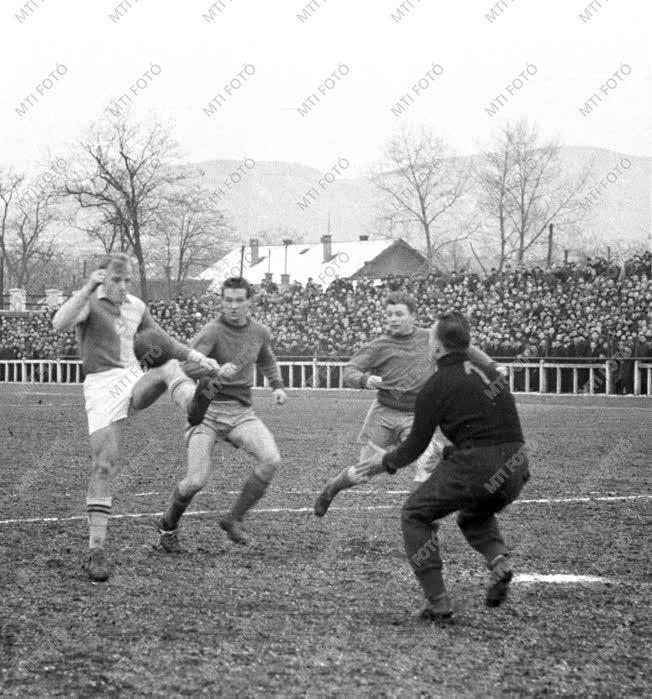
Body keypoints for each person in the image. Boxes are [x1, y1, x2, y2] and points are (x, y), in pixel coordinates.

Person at [352, 310, 530, 623]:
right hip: (516, 467)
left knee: (416, 514)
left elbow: (412, 449)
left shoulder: (435, 386)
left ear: (436, 347)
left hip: (477, 465)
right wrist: (451, 452)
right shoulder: (493, 375)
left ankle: (438, 601)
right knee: (475, 512)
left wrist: (381, 464)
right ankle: (498, 559)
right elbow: (494, 431)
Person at [51, 253, 218, 582]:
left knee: (168, 367)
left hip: (132, 379)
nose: (123, 286)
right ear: (103, 277)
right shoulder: (88, 303)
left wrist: (198, 356)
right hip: (101, 386)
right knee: (104, 465)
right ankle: (96, 550)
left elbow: (163, 341)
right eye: (116, 279)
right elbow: (59, 323)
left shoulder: (136, 306)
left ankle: (193, 408)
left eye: (128, 279)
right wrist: (86, 287)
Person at [313, 292, 501, 516]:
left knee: (426, 463)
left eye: (399, 314)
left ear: (413, 316)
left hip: (417, 416)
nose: (393, 318)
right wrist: (364, 379)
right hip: (383, 414)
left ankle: (417, 516)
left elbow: (466, 349)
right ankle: (330, 490)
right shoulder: (379, 345)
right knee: (363, 472)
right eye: (390, 314)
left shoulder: (430, 338)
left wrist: (492, 366)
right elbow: (349, 371)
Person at [157, 277, 288, 550]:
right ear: (221, 301)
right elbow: (187, 366)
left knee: (271, 459)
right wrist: (214, 368)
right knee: (195, 481)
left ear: (250, 301)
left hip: (240, 412)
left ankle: (233, 519)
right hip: (207, 411)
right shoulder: (212, 332)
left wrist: (276, 385)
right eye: (228, 300)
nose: (233, 306)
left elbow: (266, 358)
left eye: (239, 300)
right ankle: (168, 525)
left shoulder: (259, 332)